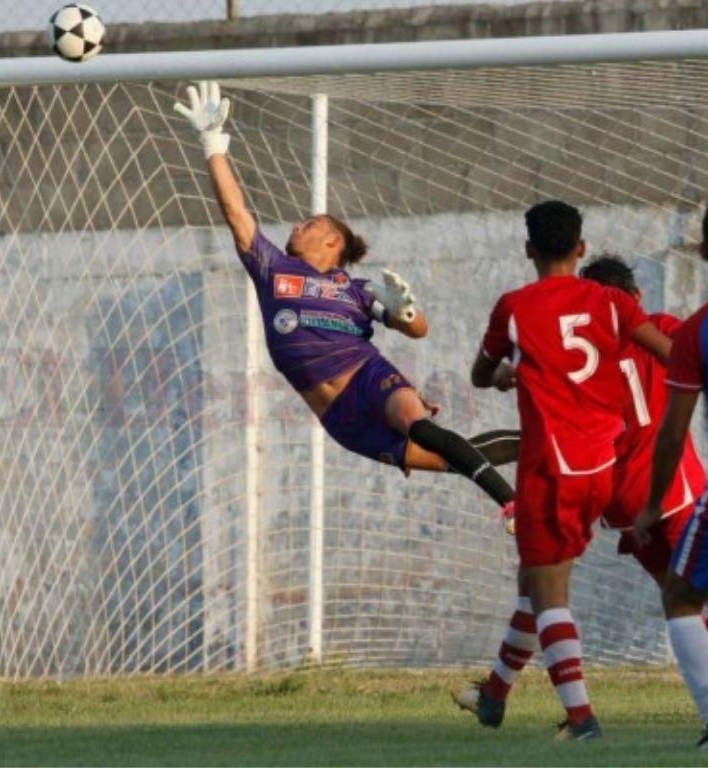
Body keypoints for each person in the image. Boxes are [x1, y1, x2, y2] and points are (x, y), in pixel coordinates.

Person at [173, 81, 516, 505]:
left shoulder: (355, 290)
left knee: (417, 424)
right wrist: (212, 144)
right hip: (339, 417)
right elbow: (236, 214)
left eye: (310, 223)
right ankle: (549, 441)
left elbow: (419, 330)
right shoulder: (272, 268)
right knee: (454, 458)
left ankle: (510, 503)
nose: (297, 227)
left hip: (370, 377)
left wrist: (405, 313)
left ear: (333, 241)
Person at [456, 255, 708, 726]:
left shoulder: (577, 351)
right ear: (636, 300)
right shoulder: (662, 328)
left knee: (540, 585)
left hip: (613, 492)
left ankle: (498, 691)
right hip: (673, 487)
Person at [470, 202, 670, 740]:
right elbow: (668, 353)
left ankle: (581, 719)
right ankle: (493, 692)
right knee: (535, 580)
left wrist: (506, 375)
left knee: (548, 591)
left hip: (550, 467)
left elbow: (479, 374)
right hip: (601, 467)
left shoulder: (513, 307)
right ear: (580, 247)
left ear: (528, 249)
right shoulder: (611, 302)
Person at [632, 196, 708, 750]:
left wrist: (651, 504)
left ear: (705, 253)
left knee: (679, 594)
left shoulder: (697, 330)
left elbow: (673, 432)